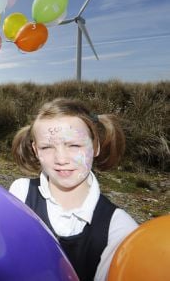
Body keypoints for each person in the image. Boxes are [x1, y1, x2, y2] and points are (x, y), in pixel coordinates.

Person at [9, 98, 138, 281]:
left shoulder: (119, 229)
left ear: (95, 147)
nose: (61, 159)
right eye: (47, 147)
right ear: (35, 150)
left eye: (74, 145)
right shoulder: (19, 194)